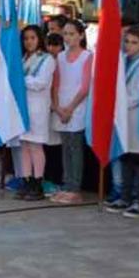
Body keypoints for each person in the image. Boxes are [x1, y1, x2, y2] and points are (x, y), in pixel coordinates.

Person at [105, 26, 139, 218]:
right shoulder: (122, 61)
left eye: (134, 42)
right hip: (122, 118)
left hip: (137, 117)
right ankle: (125, 196)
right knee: (125, 157)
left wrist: (120, 104)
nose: (129, 45)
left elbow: (138, 93)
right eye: (127, 41)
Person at [50, 20, 92, 204]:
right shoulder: (60, 57)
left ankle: (75, 188)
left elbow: (84, 87)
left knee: (75, 149)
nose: (68, 38)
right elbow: (56, 83)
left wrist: (70, 108)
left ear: (81, 35)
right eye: (65, 34)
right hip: (61, 108)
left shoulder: (87, 56)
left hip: (77, 107)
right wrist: (57, 107)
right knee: (65, 148)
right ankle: (67, 185)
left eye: (72, 34)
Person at [15, 25, 56, 201]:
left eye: (32, 38)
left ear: (39, 38)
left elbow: (40, 83)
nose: (29, 42)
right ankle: (26, 180)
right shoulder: (22, 58)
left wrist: (20, 80)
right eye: (26, 39)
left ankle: (38, 183)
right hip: (22, 108)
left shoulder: (47, 59)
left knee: (36, 146)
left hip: (38, 108)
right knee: (23, 145)